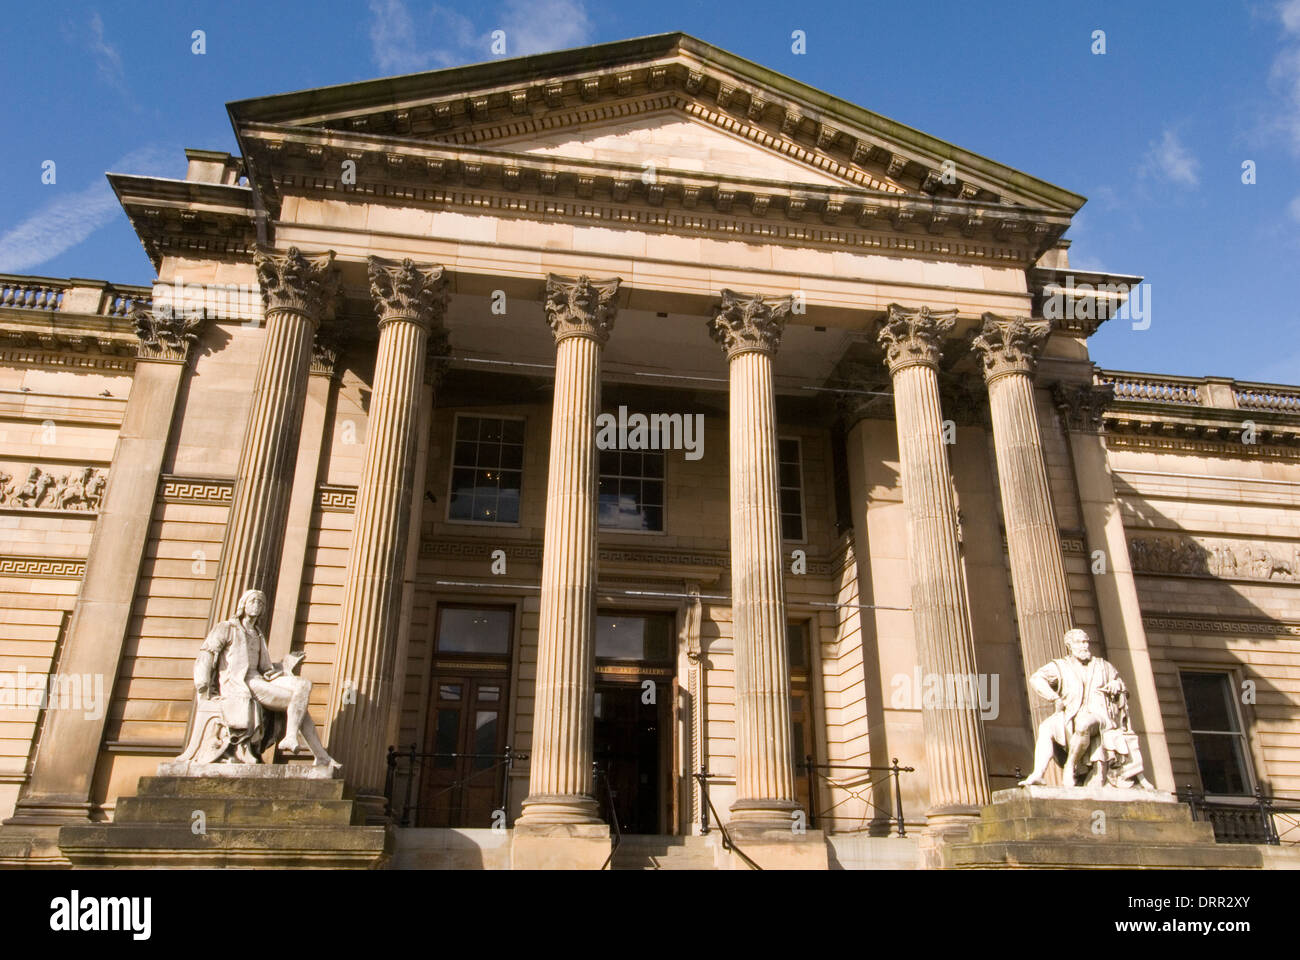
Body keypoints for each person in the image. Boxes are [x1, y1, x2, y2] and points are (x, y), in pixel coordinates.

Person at [192, 588, 339, 769]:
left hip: (261, 678)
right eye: (253, 601)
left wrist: (287, 662)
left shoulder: (257, 633)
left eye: (261, 603)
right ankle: (319, 754)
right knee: (296, 702)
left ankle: (292, 737)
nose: (257, 605)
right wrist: (203, 684)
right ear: (243, 604)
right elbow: (207, 653)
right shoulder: (226, 628)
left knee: (304, 685)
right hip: (241, 682)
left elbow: (265, 668)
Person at [1019, 629, 1126, 787]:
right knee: (1045, 728)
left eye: (1085, 642)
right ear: (1069, 645)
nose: (1084, 646)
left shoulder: (1103, 666)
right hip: (1070, 714)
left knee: (1084, 725)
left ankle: (1070, 767)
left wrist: (1115, 685)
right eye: (1079, 642)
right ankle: (1038, 774)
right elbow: (1036, 678)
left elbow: (1121, 685)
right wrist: (1054, 697)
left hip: (1098, 715)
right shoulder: (1061, 666)